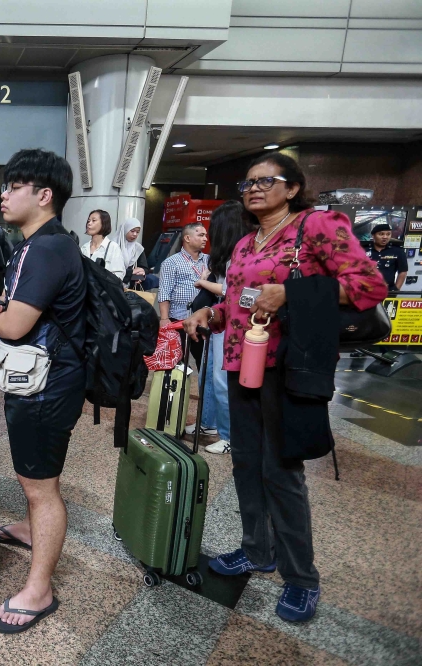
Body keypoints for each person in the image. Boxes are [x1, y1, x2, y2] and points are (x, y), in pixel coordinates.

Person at [182, 152, 387, 623]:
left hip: (287, 368)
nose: (253, 189)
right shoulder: (246, 242)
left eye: (265, 181)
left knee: (281, 473)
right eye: (247, 183)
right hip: (242, 366)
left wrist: (291, 292)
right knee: (246, 466)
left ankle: (301, 578)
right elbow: (238, 303)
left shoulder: (316, 227)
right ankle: (257, 550)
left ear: (292, 188)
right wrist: (210, 314)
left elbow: (370, 286)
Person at [0, 149, 86, 634]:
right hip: (44, 377)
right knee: (32, 478)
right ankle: (28, 528)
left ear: (44, 195)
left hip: (47, 385)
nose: (4, 194)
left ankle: (39, 591)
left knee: (42, 488)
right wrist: (1, 304)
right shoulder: (41, 243)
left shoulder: (44, 248)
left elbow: (17, 324)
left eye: (14, 186)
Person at [186, 201, 250, 454]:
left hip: (233, 325)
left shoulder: (243, 257)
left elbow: (236, 294)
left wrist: (204, 284)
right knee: (209, 376)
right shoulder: (226, 257)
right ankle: (209, 423)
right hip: (218, 320)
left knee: (223, 381)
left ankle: (230, 436)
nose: (208, 235)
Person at [158, 221, 209, 368]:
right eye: (201, 235)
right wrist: (164, 318)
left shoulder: (209, 260)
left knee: (204, 362)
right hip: (178, 320)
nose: (205, 239)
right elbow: (164, 291)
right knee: (177, 363)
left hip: (202, 320)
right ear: (187, 238)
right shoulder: (171, 262)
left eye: (205, 235)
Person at [80, 210, 124, 279]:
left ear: (104, 223)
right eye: (88, 221)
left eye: (94, 220)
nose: (89, 223)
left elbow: (119, 275)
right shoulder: (84, 247)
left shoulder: (113, 247)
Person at [117, 218, 157, 289]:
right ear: (125, 230)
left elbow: (145, 268)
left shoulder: (138, 248)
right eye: (132, 231)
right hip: (115, 283)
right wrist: (131, 272)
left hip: (131, 285)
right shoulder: (114, 246)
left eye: (137, 232)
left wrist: (141, 274)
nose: (135, 234)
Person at [368, 224, 407, 291]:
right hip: (365, 290)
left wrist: (396, 289)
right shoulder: (363, 250)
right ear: (373, 235)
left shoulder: (397, 251)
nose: (385, 237)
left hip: (388, 290)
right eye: (381, 234)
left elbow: (403, 271)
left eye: (388, 234)